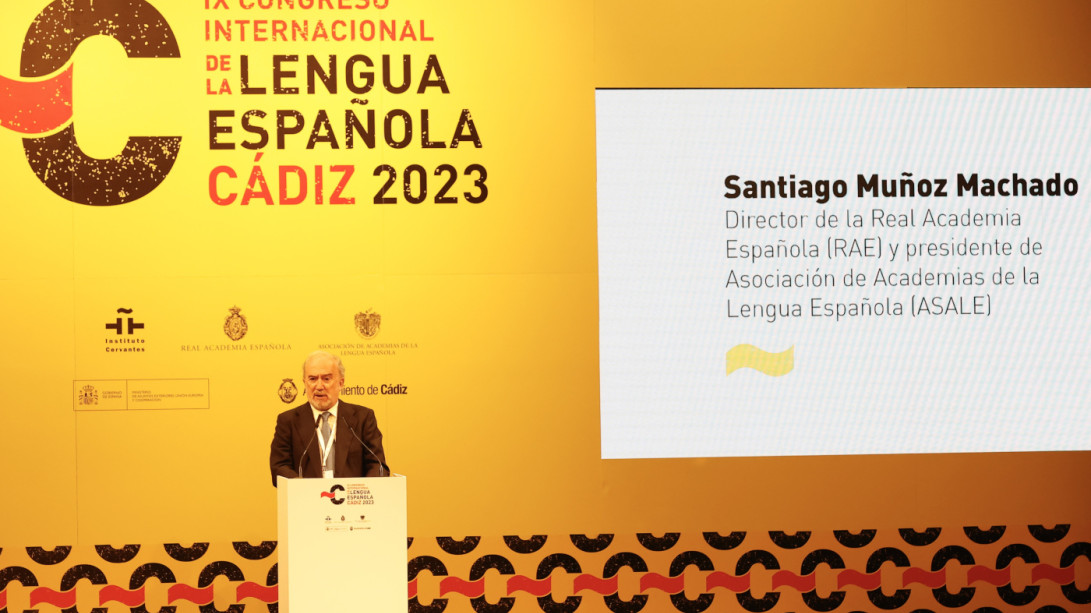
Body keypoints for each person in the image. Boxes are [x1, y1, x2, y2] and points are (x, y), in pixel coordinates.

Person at [269, 351, 389, 485]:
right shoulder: (288, 421)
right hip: (307, 502)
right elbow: (279, 468)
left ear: (341, 383)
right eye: (312, 379)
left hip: (353, 502)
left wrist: (361, 492)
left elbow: (378, 466)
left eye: (326, 379)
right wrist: (303, 489)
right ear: (305, 382)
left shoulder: (363, 418)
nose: (319, 386)